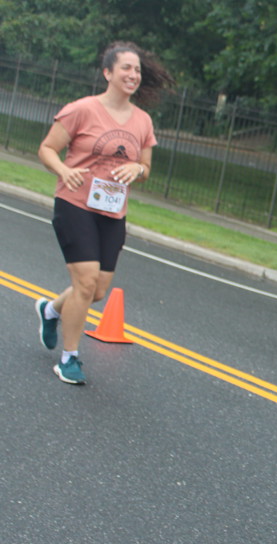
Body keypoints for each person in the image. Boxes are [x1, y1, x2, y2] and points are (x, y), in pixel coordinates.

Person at [35, 41, 173, 384]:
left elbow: (146, 168)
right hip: (75, 204)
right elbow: (47, 148)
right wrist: (63, 170)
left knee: (96, 291)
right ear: (108, 73)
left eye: (137, 69)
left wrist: (137, 170)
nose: (133, 74)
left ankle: (50, 310)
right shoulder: (82, 109)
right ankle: (69, 358)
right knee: (84, 283)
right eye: (126, 67)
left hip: (112, 213)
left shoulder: (142, 121)